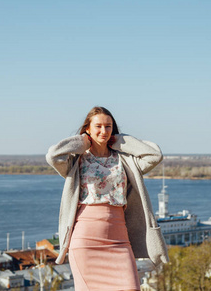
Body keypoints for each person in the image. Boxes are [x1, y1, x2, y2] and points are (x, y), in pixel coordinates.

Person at [46, 106, 168, 291]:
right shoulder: (76, 161)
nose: (104, 131)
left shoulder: (125, 160)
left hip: (119, 240)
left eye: (108, 126)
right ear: (88, 128)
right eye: (98, 126)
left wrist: (120, 141)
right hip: (86, 240)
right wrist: (82, 142)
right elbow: (53, 155)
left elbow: (154, 155)